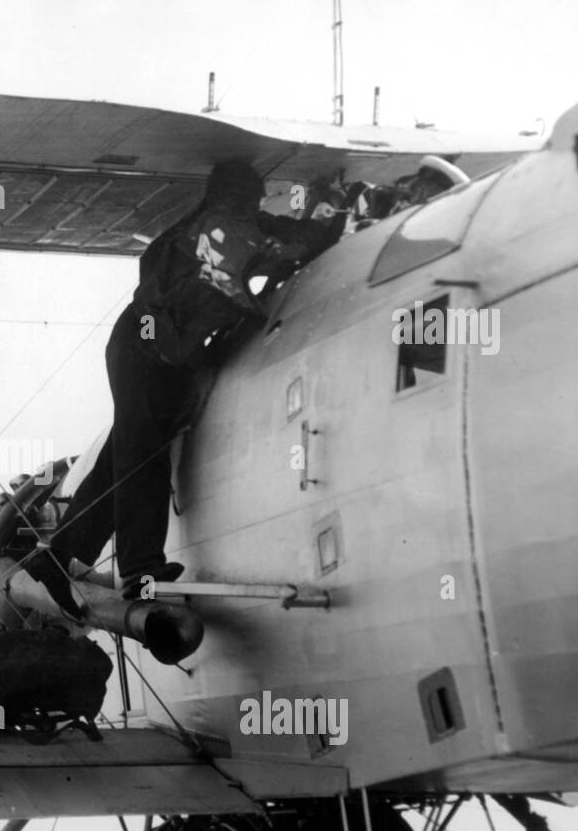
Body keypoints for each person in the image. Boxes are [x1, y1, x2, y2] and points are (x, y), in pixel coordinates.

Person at [27, 160, 344, 614]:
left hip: (156, 348)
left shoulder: (214, 229)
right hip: (142, 348)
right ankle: (140, 571)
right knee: (142, 456)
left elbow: (298, 244)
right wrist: (331, 206)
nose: (246, 207)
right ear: (230, 199)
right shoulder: (228, 231)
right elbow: (152, 310)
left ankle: (56, 558)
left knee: (125, 455)